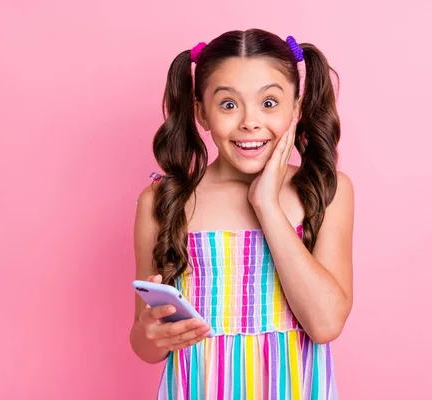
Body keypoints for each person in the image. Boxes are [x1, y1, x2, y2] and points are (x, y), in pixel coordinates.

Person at [130, 28, 354, 399]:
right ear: (201, 111)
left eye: (269, 103)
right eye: (229, 104)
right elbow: (144, 345)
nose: (250, 121)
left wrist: (266, 204)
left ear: (296, 108)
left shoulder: (327, 192)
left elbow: (325, 324)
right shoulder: (163, 201)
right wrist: (150, 332)